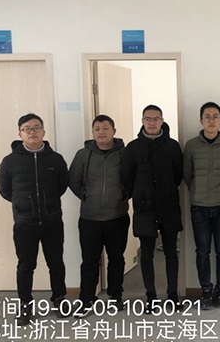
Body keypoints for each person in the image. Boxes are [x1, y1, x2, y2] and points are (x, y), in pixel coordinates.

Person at [0, 113, 69, 325]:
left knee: (56, 263)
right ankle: (25, 304)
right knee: (26, 265)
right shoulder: (10, 161)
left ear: (43, 131)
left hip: (52, 220)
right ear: (20, 133)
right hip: (25, 223)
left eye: (36, 127)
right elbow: (4, 189)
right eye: (27, 128)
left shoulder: (56, 159)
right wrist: (22, 204)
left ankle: (59, 298)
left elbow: (62, 185)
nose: (32, 132)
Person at [122, 105, 184, 312]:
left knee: (171, 253)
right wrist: (141, 194)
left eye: (156, 118)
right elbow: (127, 177)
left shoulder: (172, 146)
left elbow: (178, 175)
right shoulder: (132, 148)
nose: (152, 122)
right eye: (148, 119)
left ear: (162, 121)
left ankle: (172, 295)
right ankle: (151, 297)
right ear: (142, 121)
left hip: (168, 206)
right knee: (147, 254)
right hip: (144, 208)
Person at [68, 115, 129, 317]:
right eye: (97, 129)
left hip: (117, 216)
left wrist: (122, 196)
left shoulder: (124, 154)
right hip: (89, 218)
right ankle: (86, 299)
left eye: (105, 128)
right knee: (89, 261)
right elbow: (73, 181)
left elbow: (131, 180)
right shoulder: (83, 155)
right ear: (93, 132)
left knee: (116, 259)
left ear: (114, 131)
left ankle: (115, 296)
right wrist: (87, 197)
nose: (101, 132)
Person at [183, 102, 220, 310]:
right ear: (201, 120)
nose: (211, 120)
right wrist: (198, 192)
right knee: (202, 251)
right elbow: (188, 175)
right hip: (199, 207)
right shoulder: (191, 146)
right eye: (207, 116)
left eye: (215, 117)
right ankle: (206, 290)